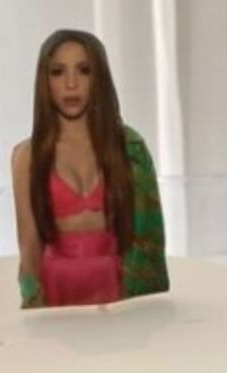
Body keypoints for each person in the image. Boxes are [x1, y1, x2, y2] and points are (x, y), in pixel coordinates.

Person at [11, 29, 169, 309]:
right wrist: (33, 311)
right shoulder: (27, 157)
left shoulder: (129, 148)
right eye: (58, 72)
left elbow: (148, 240)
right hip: (57, 293)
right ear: (44, 81)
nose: (71, 84)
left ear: (99, 79)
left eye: (84, 71)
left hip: (119, 291)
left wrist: (147, 312)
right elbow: (30, 248)